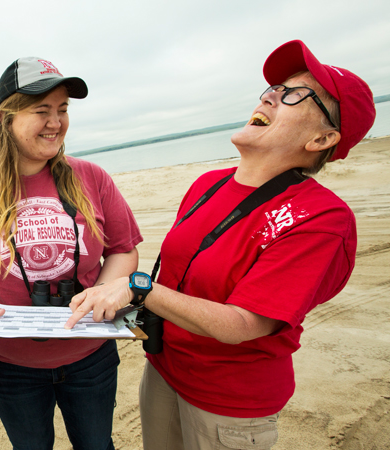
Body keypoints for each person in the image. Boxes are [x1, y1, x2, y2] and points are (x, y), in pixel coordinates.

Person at [64, 40, 376, 449]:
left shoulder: (321, 219)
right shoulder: (206, 185)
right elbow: (181, 282)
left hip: (229, 401)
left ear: (321, 139)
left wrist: (139, 287)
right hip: (164, 371)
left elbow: (243, 325)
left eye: (295, 94)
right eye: (273, 89)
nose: (270, 95)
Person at [0, 57, 142, 450]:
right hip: (10, 364)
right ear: (7, 119)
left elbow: (123, 250)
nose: (56, 122)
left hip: (90, 355)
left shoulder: (91, 177)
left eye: (63, 110)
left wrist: (103, 291)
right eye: (42, 111)